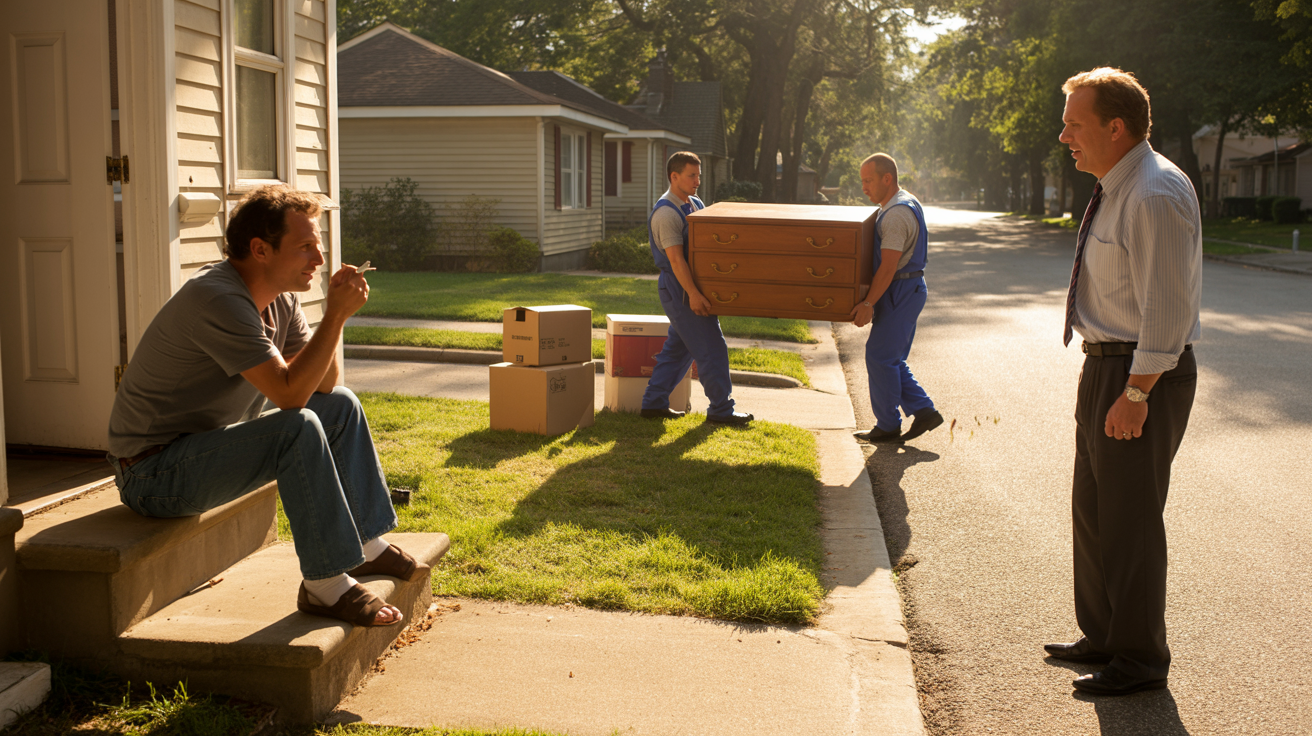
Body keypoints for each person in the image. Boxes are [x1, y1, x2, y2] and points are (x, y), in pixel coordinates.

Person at [107, 185, 427, 628]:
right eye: (305, 247)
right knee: (295, 426)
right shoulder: (217, 299)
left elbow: (325, 384)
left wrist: (335, 314)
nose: (318, 259)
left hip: (203, 449)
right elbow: (291, 395)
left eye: (318, 246)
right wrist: (335, 315)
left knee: (340, 405)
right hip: (151, 472)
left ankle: (365, 543)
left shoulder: (281, 298)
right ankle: (325, 586)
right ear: (260, 249)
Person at [1043, 67, 1201, 696]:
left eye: (1074, 124)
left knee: (1130, 519)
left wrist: (1136, 392)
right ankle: (1105, 635)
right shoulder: (1120, 184)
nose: (1063, 136)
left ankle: (1139, 660)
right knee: (1094, 509)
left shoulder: (1154, 192)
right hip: (1105, 362)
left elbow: (1166, 307)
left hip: (1143, 370)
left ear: (1116, 127)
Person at [640, 151, 752, 426]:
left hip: (691, 285)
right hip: (679, 287)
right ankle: (721, 410)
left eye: (699, 175)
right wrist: (694, 294)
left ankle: (653, 404)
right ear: (674, 176)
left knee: (679, 349)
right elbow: (677, 260)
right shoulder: (666, 213)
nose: (697, 180)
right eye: (692, 175)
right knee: (712, 347)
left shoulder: (694, 202)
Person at [849, 153, 943, 444]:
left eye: (868, 180)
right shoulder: (903, 201)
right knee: (891, 358)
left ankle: (888, 425)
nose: (864, 187)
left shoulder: (896, 215)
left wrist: (868, 303)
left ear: (886, 178)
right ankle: (925, 411)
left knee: (879, 356)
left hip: (901, 290)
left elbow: (888, 266)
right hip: (908, 289)